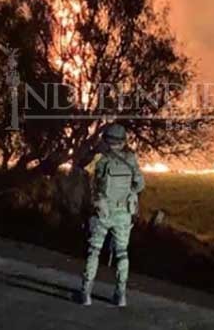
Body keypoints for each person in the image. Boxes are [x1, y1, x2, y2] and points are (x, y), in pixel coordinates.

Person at [80, 124, 145, 307]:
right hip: (123, 212)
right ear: (123, 140)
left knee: (94, 251)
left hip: (103, 212)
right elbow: (140, 185)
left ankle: (86, 294)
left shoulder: (99, 158)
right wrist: (128, 193)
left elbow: (81, 169)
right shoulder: (131, 159)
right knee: (122, 254)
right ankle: (120, 296)